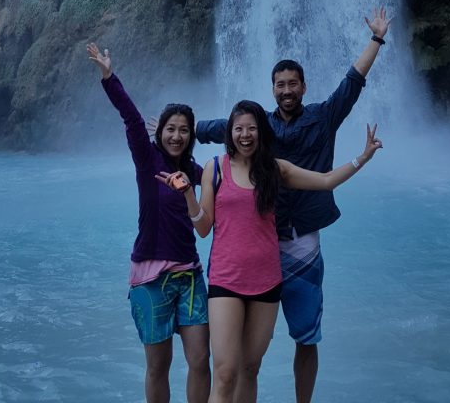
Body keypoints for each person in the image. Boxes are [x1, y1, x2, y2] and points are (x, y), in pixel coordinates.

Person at [195, 6, 390, 403]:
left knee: (305, 335)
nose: (286, 90)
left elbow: (352, 83)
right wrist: (178, 130)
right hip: (257, 246)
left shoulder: (322, 118)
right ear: (272, 90)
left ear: (303, 87)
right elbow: (223, 128)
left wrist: (376, 39)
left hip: (302, 244)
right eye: (279, 84)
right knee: (241, 360)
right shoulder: (259, 126)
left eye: (292, 84)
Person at [161, 100, 382, 403]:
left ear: (261, 133)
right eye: (239, 129)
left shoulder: (275, 170)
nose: (245, 135)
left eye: (252, 128)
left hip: (267, 282)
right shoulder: (215, 168)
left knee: (251, 368)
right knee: (225, 372)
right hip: (226, 281)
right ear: (230, 133)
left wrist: (363, 158)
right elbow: (203, 227)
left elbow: (325, 180)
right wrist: (189, 194)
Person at [87, 43, 210, 403]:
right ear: (161, 133)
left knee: (201, 360)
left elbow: (227, 183)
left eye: (184, 130)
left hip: (189, 275)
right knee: (159, 365)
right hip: (150, 277)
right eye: (170, 129)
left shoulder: (193, 170)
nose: (176, 135)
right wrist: (109, 77)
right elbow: (131, 118)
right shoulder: (147, 158)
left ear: (191, 135)